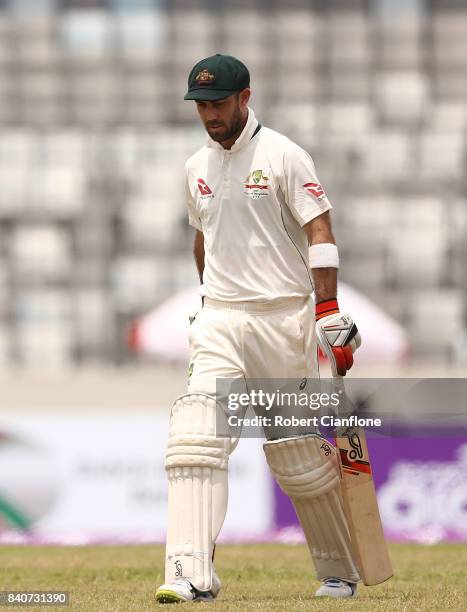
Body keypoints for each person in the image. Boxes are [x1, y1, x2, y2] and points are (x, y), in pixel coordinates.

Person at [155, 54, 361, 603]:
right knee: (195, 437)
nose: (209, 115)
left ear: (245, 98)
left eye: (218, 103)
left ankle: (338, 570)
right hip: (220, 317)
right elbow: (204, 239)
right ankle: (189, 574)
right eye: (201, 105)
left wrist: (328, 310)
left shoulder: (284, 155)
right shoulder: (194, 166)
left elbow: (320, 228)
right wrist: (207, 301)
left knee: (294, 451)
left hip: (280, 317)